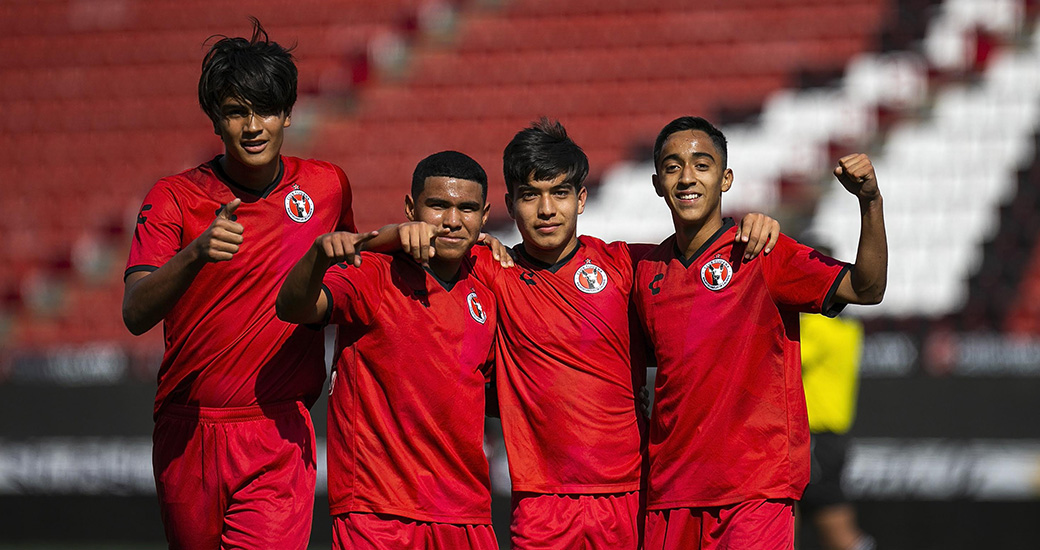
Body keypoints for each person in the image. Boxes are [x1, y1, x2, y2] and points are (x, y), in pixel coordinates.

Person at [399, 119, 777, 550]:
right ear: (509, 203)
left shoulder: (627, 266)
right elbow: (412, 254)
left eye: (559, 193)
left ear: (580, 199)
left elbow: (697, 269)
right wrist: (407, 234)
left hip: (629, 496)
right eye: (530, 196)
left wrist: (751, 227)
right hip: (541, 504)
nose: (546, 210)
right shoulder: (488, 270)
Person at [121, 19, 356, 549]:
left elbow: (351, 276)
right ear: (215, 120)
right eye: (235, 112)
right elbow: (135, 312)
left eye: (266, 110)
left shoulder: (326, 186)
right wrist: (195, 254)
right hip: (188, 428)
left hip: (278, 428)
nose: (253, 126)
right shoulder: (175, 197)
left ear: (288, 114)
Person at [632, 116, 887, 550]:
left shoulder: (762, 252)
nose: (687, 177)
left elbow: (867, 287)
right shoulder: (643, 272)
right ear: (657, 184)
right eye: (673, 167)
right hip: (670, 495)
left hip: (754, 493)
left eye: (702, 164)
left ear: (725, 178)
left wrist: (870, 202)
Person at [276, 151, 500, 549]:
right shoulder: (374, 274)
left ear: (485, 216)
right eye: (438, 205)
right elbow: (293, 307)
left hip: (466, 513)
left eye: (466, 209)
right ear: (411, 208)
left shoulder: (489, 284)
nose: (452, 220)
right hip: (379, 510)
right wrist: (318, 255)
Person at [799, 272, 876, 550]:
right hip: (832, 437)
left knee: (835, 526)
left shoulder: (817, 325)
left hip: (813, 436)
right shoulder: (850, 327)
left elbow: (784, 356)